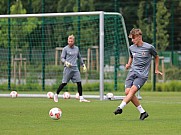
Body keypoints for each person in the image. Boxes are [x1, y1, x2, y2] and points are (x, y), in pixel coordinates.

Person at [113, 28, 163, 120]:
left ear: (139, 37)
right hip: (132, 72)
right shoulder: (131, 47)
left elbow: (156, 57)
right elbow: (131, 56)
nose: (132, 40)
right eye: (131, 39)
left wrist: (156, 69)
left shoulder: (149, 47)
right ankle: (143, 112)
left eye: (134, 38)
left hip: (142, 75)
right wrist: (128, 64)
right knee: (127, 92)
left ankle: (120, 107)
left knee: (131, 92)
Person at [54, 34, 90, 103]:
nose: (70, 42)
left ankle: (81, 98)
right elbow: (62, 58)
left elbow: (79, 57)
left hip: (75, 68)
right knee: (64, 83)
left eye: (71, 41)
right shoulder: (65, 49)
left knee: (79, 82)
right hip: (68, 69)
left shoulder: (76, 48)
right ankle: (56, 94)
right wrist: (66, 63)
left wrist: (83, 65)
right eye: (69, 41)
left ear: (74, 41)